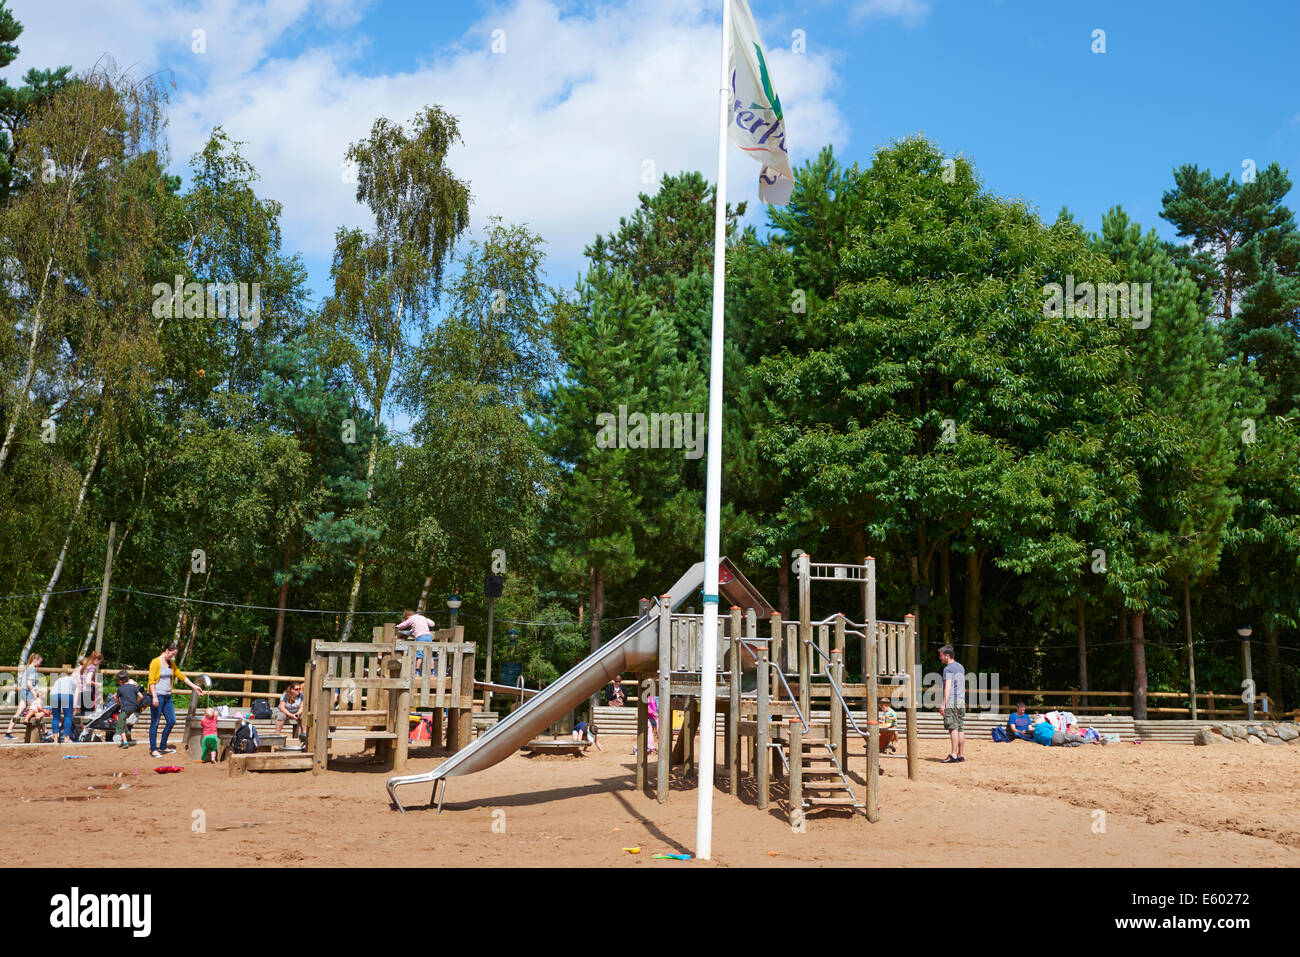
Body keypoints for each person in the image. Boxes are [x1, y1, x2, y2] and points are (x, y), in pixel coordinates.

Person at [147, 641, 205, 758]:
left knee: (171, 721)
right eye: (172, 654)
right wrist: (154, 697)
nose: (173, 656)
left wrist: (195, 687)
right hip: (157, 695)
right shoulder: (155, 662)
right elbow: (151, 682)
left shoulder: (171, 663)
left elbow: (181, 676)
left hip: (167, 697)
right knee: (155, 722)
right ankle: (154, 749)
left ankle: (163, 746)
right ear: (167, 650)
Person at [4, 653, 44, 739]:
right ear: (35, 660)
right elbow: (29, 684)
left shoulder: (28, 668)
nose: (40, 664)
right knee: (39, 710)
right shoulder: (32, 669)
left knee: (18, 713)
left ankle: (8, 731)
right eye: (40, 662)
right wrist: (35, 695)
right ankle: (45, 732)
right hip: (29, 693)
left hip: (24, 692)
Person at [938, 644, 965, 763]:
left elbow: (947, 687)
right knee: (960, 728)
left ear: (947, 656)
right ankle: (961, 754)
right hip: (961, 700)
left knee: (953, 728)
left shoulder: (948, 669)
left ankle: (953, 754)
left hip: (952, 701)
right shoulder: (961, 667)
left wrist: (943, 704)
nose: (940, 658)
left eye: (941, 656)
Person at [397, 609, 436, 674]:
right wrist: (427, 619)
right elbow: (432, 624)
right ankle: (432, 672)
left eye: (406, 618)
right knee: (429, 654)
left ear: (408, 615)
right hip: (429, 636)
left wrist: (396, 627)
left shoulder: (412, 618)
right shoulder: (422, 617)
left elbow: (404, 625)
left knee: (419, 655)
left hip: (420, 637)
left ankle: (417, 671)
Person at [113, 670, 141, 748]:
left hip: (126, 708)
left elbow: (115, 697)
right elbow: (141, 696)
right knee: (123, 718)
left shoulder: (120, 688)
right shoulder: (133, 686)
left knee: (119, 719)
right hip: (134, 708)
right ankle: (127, 731)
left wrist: (119, 703)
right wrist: (136, 702)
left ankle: (125, 743)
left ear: (120, 681)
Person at [50, 667, 78, 744]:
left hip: (54, 694)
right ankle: (67, 738)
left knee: (55, 717)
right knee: (68, 716)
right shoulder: (72, 680)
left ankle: (55, 740)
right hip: (66, 694)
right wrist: (75, 706)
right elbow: (76, 693)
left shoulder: (57, 680)